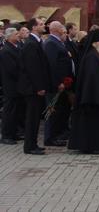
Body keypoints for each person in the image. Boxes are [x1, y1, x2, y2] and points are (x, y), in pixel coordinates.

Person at [68, 28, 99, 154]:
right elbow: (92, 80)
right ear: (95, 43)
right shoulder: (92, 57)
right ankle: (94, 146)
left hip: (98, 96)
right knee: (93, 123)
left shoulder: (95, 55)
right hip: (93, 97)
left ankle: (98, 145)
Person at [18, 17, 49, 155]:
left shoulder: (36, 42)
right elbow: (33, 69)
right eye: (41, 24)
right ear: (34, 27)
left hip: (35, 87)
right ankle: (30, 146)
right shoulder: (31, 44)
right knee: (32, 117)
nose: (44, 26)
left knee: (35, 117)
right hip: (32, 89)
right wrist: (39, 87)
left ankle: (33, 143)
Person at [43, 21, 74, 147]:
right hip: (55, 85)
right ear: (56, 29)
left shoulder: (58, 42)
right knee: (52, 111)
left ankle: (56, 134)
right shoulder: (51, 43)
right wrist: (59, 82)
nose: (64, 30)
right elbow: (52, 65)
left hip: (62, 83)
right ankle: (49, 137)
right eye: (62, 28)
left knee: (58, 111)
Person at [0, 28, 21, 144]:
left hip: (16, 86)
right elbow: (12, 69)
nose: (18, 35)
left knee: (15, 111)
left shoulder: (15, 48)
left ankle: (13, 133)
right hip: (10, 85)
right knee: (9, 111)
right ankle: (6, 135)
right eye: (16, 34)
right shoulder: (6, 50)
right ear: (9, 37)